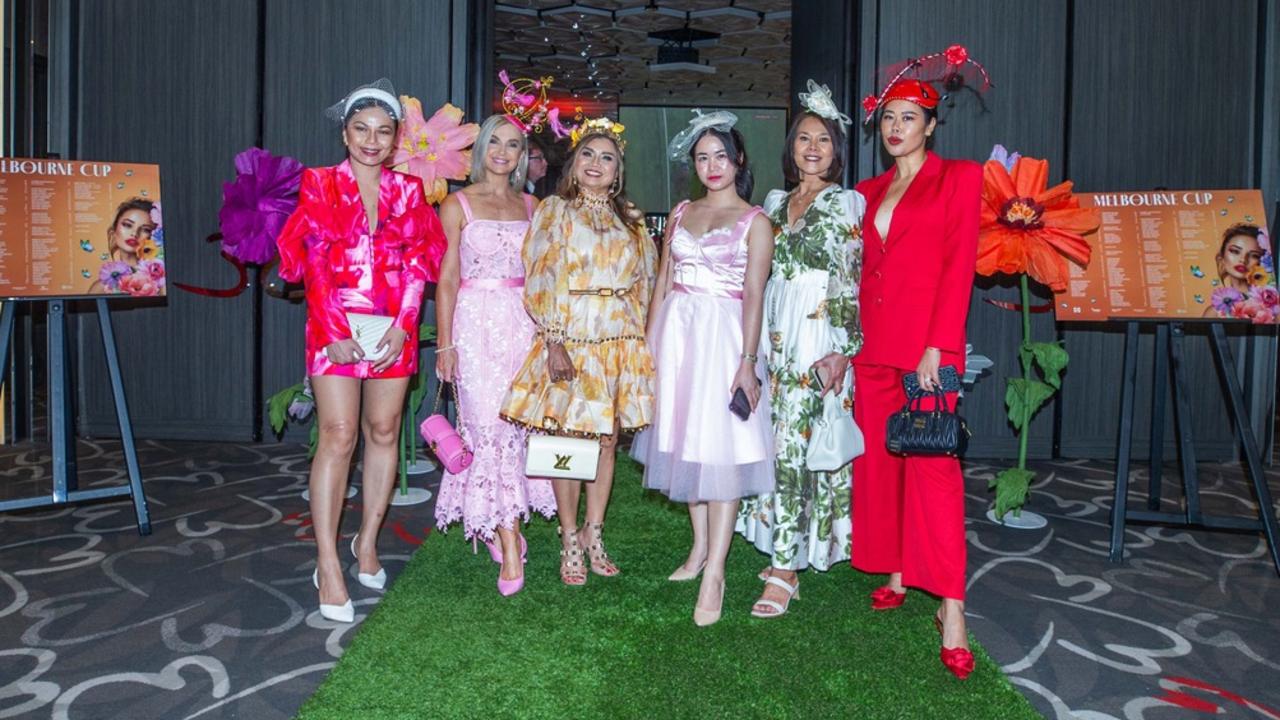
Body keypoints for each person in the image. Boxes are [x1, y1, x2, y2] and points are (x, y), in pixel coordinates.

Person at [276, 79, 446, 623]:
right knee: (338, 434)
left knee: (383, 430)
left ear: (396, 138)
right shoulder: (320, 184)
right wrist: (331, 331)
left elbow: (421, 262)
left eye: (383, 131)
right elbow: (316, 264)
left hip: (392, 329)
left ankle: (366, 542)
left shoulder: (409, 192)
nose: (372, 140)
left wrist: (404, 323)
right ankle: (327, 561)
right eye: (361, 129)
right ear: (345, 133)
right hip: (335, 328)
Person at [852, 74, 983, 679]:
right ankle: (900, 570)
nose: (896, 127)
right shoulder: (867, 189)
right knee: (881, 464)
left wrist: (939, 345)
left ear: (931, 125)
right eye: (888, 118)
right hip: (873, 347)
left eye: (909, 117)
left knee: (934, 473)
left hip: (929, 350)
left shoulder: (959, 179)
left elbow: (958, 267)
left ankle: (951, 609)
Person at [500, 117, 656, 586]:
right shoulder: (555, 211)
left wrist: (639, 345)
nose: (596, 164)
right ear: (574, 162)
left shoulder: (631, 220)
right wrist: (552, 340)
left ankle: (594, 532)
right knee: (569, 441)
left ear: (618, 171)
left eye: (607, 158)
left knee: (606, 441)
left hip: (619, 340)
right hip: (571, 337)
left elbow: (645, 285)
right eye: (588, 154)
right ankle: (568, 538)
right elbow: (541, 275)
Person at [635, 111, 775, 626]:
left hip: (723, 340)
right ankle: (697, 549)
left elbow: (755, 295)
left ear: (738, 160)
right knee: (685, 446)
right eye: (702, 157)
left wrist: (747, 363)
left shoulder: (756, 221)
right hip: (677, 338)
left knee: (719, 451)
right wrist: (648, 348)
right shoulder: (679, 212)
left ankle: (716, 569)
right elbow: (663, 282)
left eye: (720, 155)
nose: (712, 165)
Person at [735, 83, 864, 619]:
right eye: (804, 138)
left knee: (798, 450)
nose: (813, 148)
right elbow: (756, 278)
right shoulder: (771, 202)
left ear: (836, 150)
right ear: (791, 148)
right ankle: (784, 547)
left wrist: (843, 350)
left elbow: (850, 279)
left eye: (824, 140)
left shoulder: (847, 202)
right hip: (774, 334)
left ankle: (786, 569)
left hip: (818, 337)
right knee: (772, 443)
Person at [434, 114, 555, 597]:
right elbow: (445, 278)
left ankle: (506, 522)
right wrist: (445, 343)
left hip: (523, 324)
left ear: (523, 154)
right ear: (481, 148)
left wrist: (550, 336)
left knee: (517, 427)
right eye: (495, 143)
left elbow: (545, 277)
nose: (503, 152)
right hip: (474, 321)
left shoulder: (534, 205)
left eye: (513, 145)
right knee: (486, 427)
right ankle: (507, 540)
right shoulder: (456, 203)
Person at [91, 199, 159, 294]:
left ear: (153, 235)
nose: (134, 233)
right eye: (127, 225)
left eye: (146, 230)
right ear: (114, 230)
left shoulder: (159, 280)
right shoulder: (101, 288)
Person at [1204, 223, 1266, 317]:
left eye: (1254, 255)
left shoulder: (1270, 304)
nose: (1243, 259)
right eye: (1235, 251)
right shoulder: (1214, 313)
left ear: (1262, 261)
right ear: (1222, 258)